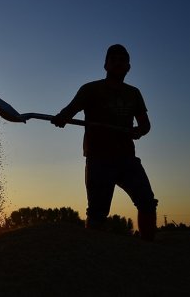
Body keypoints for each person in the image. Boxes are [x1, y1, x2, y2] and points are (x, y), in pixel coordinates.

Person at [51, 44, 158, 241]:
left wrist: (139, 131)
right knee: (98, 213)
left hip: (126, 158)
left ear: (128, 67)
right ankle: (94, 254)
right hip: (98, 158)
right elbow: (70, 110)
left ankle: (148, 247)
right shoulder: (90, 89)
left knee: (147, 202)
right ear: (106, 65)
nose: (118, 63)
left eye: (122, 60)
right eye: (114, 59)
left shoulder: (134, 93)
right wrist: (61, 118)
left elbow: (145, 124)